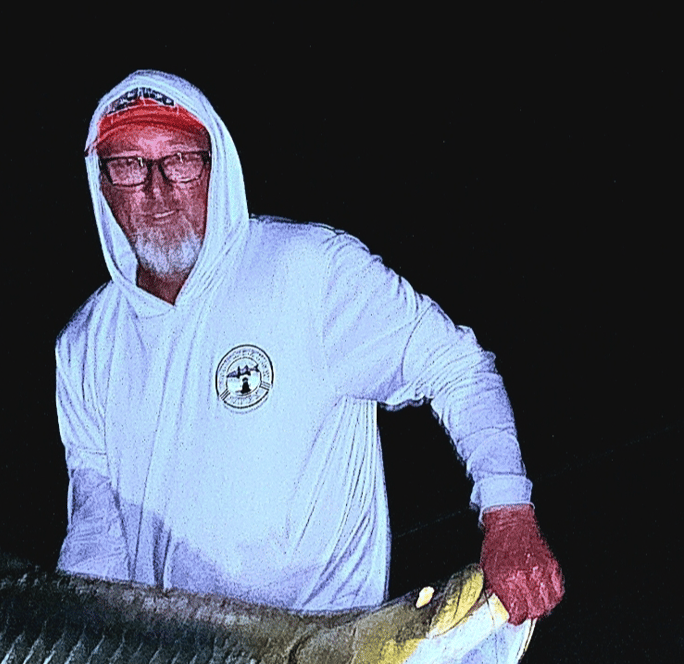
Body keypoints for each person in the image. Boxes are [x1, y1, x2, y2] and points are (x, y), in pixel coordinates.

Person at [55, 70, 563, 625]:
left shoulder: (310, 272)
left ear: (216, 168)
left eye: (180, 159)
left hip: (322, 647)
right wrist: (71, 638)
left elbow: (458, 368)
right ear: (101, 184)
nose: (157, 189)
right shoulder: (86, 342)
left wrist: (509, 512)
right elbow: (98, 526)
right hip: (181, 662)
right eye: (129, 166)